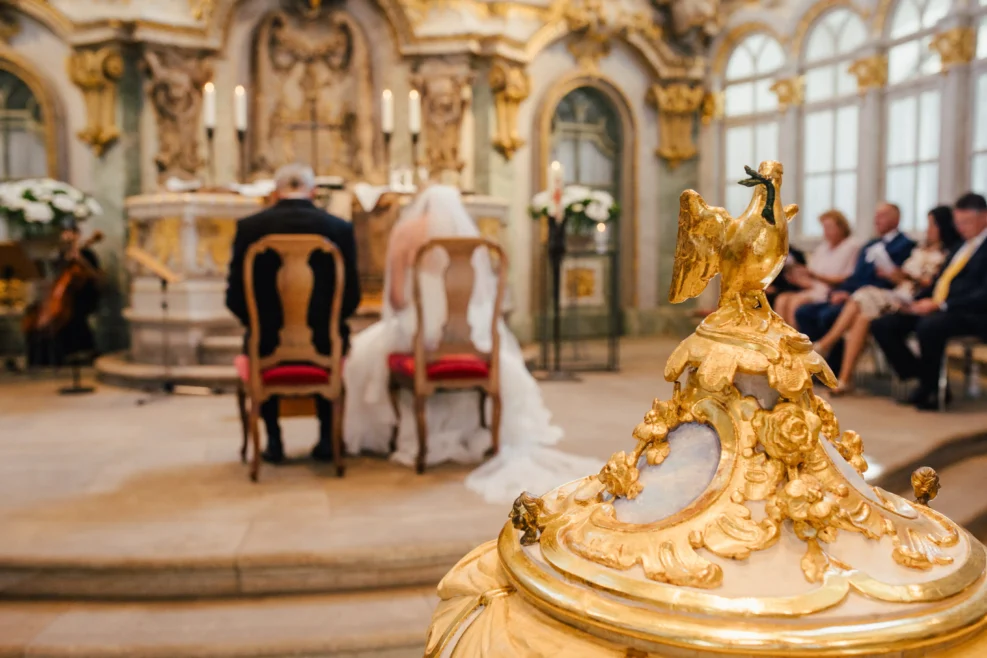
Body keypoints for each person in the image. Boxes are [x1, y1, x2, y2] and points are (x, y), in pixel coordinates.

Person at [342, 185, 599, 503]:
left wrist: (415, 306)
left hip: (420, 335)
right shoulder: (470, 236)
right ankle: (484, 434)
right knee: (501, 358)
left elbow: (395, 299)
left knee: (361, 355)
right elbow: (482, 294)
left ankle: (411, 436)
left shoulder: (405, 232)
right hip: (469, 335)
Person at [225, 163, 361, 462]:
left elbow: (234, 297)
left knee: (259, 343)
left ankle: (274, 441)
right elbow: (352, 297)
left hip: (266, 342)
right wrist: (328, 323)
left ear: (275, 192)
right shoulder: (339, 229)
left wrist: (258, 325)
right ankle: (327, 439)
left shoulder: (249, 229)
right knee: (333, 339)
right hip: (325, 341)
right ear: (313, 192)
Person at [813, 206, 961, 395]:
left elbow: (936, 283)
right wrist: (897, 276)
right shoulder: (920, 248)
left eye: (931, 225)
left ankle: (825, 344)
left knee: (863, 294)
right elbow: (898, 279)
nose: (927, 229)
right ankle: (845, 378)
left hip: (915, 297)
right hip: (901, 291)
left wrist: (908, 278)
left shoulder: (948, 253)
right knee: (863, 318)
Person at [871, 193, 987, 410]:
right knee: (884, 324)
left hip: (973, 313)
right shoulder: (961, 246)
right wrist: (915, 302)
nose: (961, 228)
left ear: (985, 217)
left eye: (966, 222)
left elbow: (982, 294)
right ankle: (920, 376)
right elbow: (939, 281)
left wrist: (941, 305)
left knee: (930, 326)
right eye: (958, 223)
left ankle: (931, 391)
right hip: (942, 307)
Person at [795, 203, 915, 378]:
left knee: (828, 315)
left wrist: (850, 293)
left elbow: (894, 282)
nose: (876, 220)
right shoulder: (870, 244)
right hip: (855, 294)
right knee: (804, 312)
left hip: (878, 297)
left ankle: (830, 364)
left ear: (895, 219)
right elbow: (856, 276)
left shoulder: (906, 245)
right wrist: (842, 291)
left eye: (882, 216)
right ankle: (816, 367)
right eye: (876, 216)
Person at [25, 220, 102, 367]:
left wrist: (81, 260)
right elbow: (54, 279)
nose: (66, 236)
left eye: (70, 232)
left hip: (82, 297)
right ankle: (44, 358)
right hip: (63, 296)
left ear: (77, 235)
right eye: (64, 232)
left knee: (73, 316)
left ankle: (77, 353)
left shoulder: (87, 253)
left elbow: (97, 278)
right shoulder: (60, 255)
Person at [774, 210, 860, 327]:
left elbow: (848, 277)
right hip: (815, 288)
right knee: (782, 299)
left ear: (841, 227)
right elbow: (812, 277)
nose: (826, 232)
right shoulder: (823, 247)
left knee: (794, 303)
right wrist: (797, 278)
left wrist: (814, 276)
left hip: (830, 290)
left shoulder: (852, 246)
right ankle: (782, 339)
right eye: (824, 228)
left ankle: (797, 341)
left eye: (829, 227)